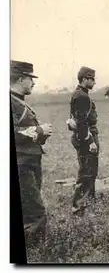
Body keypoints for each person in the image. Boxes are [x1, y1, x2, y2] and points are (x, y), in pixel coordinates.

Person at [10, 60, 53, 247]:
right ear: (20, 78)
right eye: (30, 79)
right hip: (22, 164)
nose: (33, 83)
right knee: (35, 211)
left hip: (30, 162)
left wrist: (40, 134)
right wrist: (39, 131)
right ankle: (36, 252)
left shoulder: (17, 102)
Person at [67, 66, 99, 216]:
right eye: (92, 79)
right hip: (86, 138)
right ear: (85, 79)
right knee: (86, 173)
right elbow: (81, 122)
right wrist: (90, 141)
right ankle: (79, 208)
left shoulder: (80, 94)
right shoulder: (82, 96)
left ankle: (89, 204)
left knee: (90, 171)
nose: (94, 82)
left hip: (84, 136)